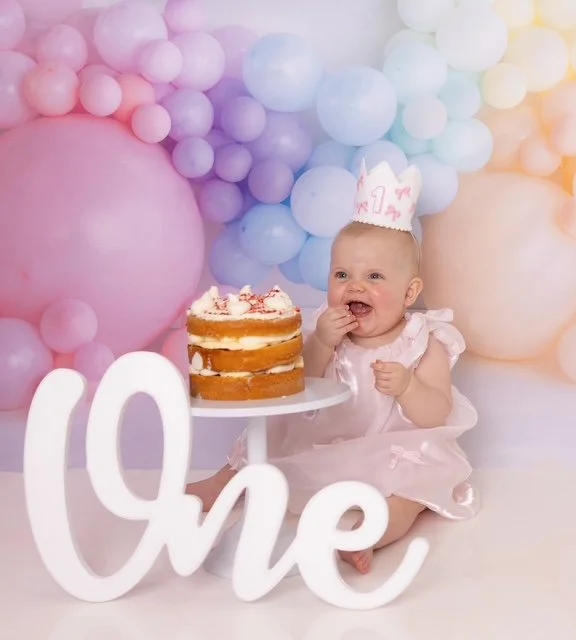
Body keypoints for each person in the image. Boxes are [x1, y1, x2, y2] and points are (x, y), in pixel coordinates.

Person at [187, 161, 479, 574]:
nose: (355, 286)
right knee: (266, 435)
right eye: (342, 274)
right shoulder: (326, 326)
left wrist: (409, 386)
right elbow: (300, 383)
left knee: (414, 489)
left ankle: (370, 533)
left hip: (388, 450)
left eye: (374, 276)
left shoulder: (423, 340)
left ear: (410, 292)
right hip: (322, 440)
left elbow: (438, 412)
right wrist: (322, 341)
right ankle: (223, 486)